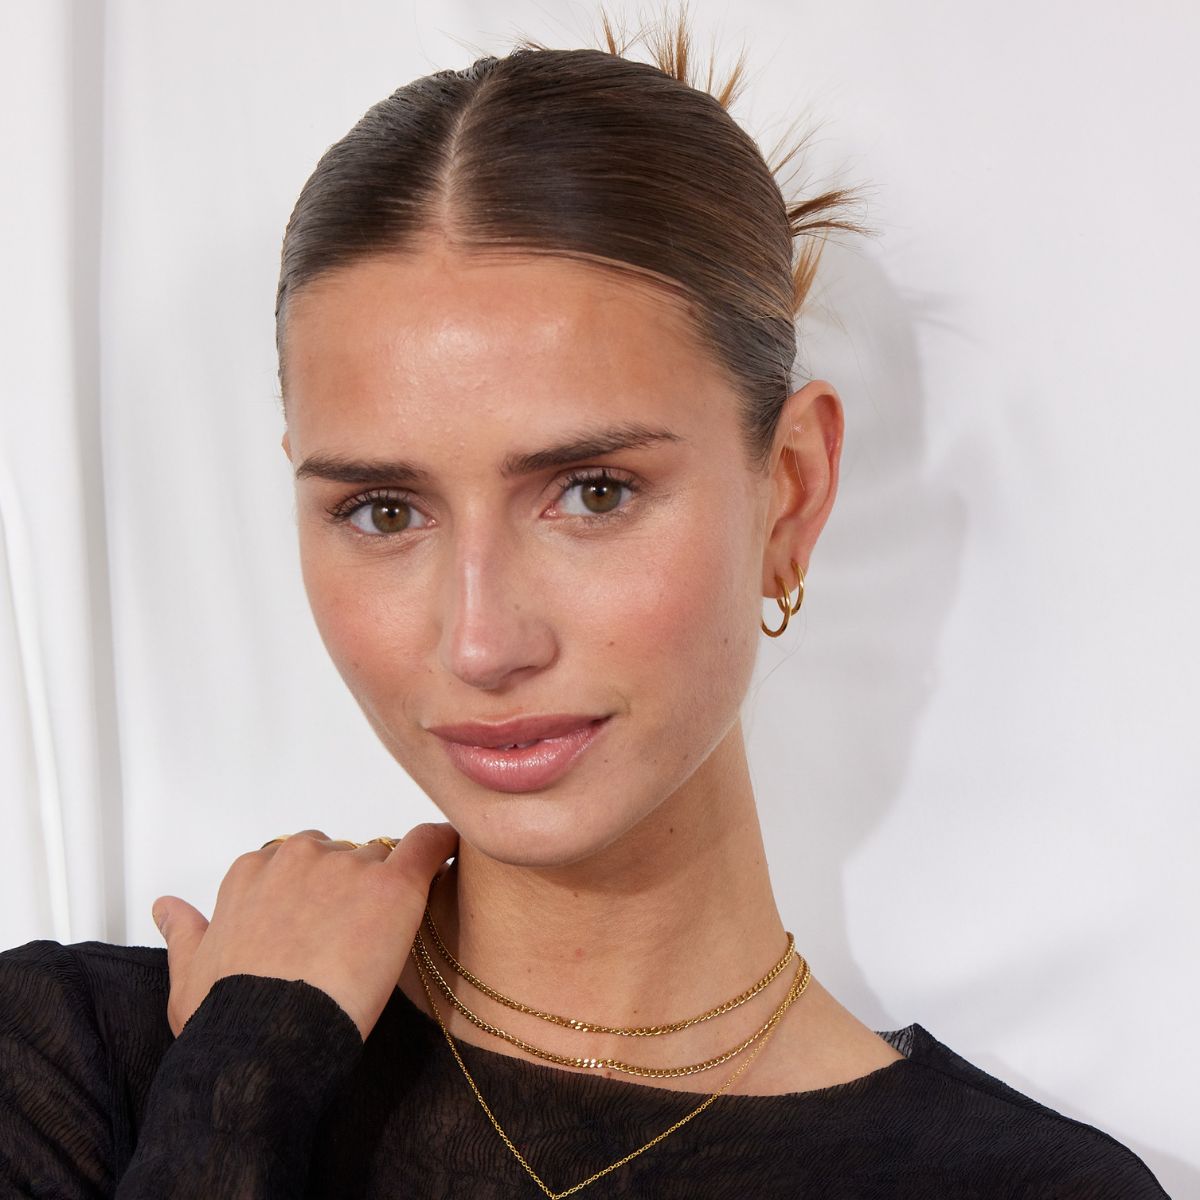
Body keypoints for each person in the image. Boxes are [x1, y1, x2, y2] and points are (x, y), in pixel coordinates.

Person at [0, 9, 1171, 1198]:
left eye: (593, 493)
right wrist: (246, 1069)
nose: (482, 641)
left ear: (790, 493)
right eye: (385, 512)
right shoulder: (79, 1064)